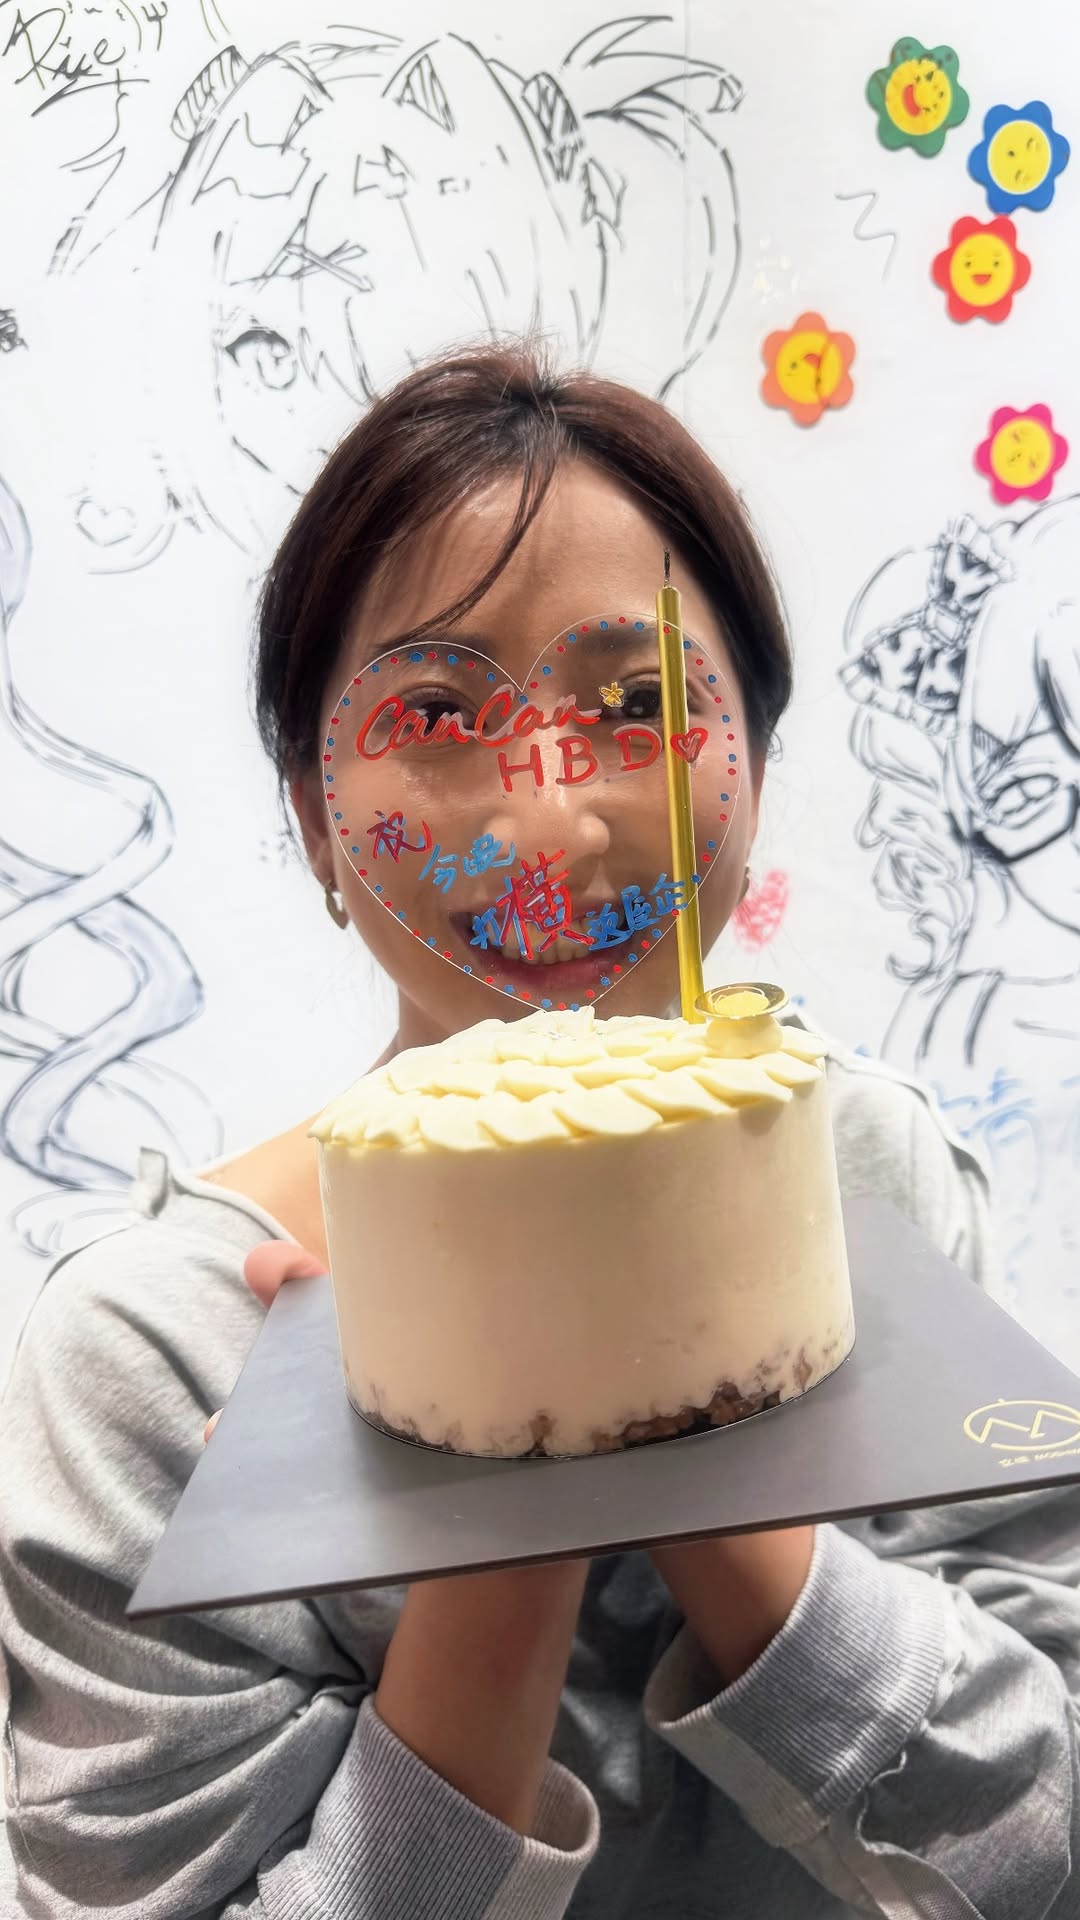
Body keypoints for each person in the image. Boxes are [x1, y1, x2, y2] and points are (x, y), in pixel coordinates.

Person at [1, 344, 1078, 1919]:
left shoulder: (870, 1174)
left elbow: (1039, 1845)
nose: (549, 822)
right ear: (312, 815)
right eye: (436, 711)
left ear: (754, 757)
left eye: (640, 703)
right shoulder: (154, 1355)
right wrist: (490, 1480)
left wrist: (667, 1413)